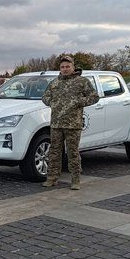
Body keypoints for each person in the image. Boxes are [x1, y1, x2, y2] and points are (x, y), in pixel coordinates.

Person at [41, 55, 99, 190]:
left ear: (73, 67)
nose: (65, 69)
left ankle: (75, 179)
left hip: (73, 124)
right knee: (54, 152)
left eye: (67, 66)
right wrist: (52, 103)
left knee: (73, 152)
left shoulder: (82, 82)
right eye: (62, 67)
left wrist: (79, 102)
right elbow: (45, 97)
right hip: (56, 123)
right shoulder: (55, 83)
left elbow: (94, 97)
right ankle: (52, 178)